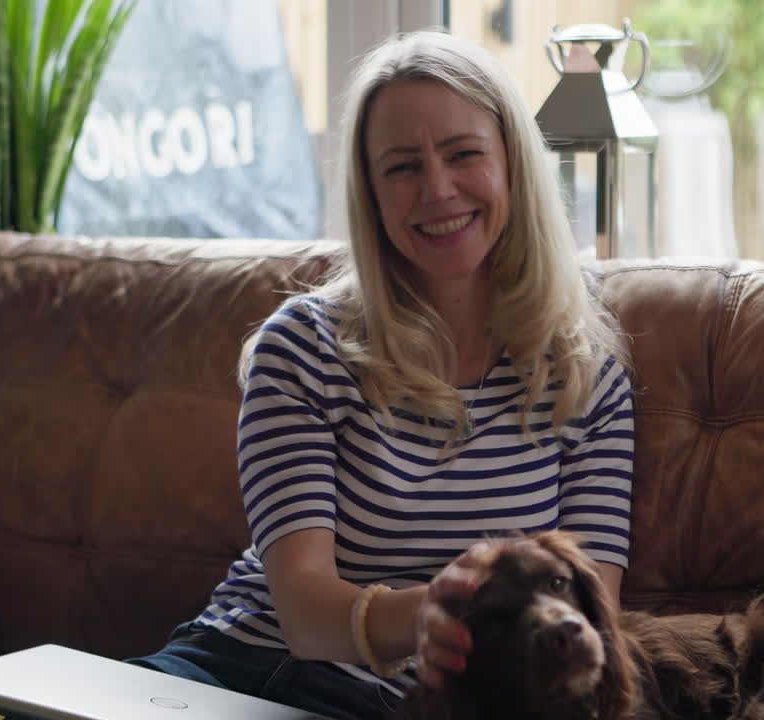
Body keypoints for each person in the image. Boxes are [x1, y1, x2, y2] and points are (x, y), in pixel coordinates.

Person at [128, 28, 636, 720]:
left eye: (463, 154)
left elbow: (587, 616)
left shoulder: (586, 375)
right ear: (369, 192)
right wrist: (429, 612)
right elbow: (304, 615)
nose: (437, 189)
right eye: (401, 167)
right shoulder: (302, 349)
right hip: (236, 667)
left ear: (513, 164)